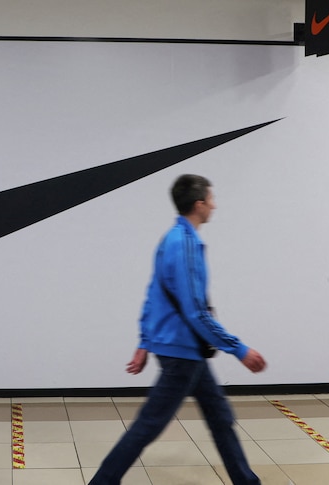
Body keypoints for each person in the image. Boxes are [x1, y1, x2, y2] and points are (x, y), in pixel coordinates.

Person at [89, 174, 266, 485]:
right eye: (211, 199)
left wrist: (144, 341)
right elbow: (196, 311)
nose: (215, 205)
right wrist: (239, 349)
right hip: (182, 352)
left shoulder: (171, 238)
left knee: (220, 418)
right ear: (199, 205)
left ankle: (246, 481)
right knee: (149, 425)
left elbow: (153, 293)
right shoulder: (184, 244)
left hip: (187, 350)